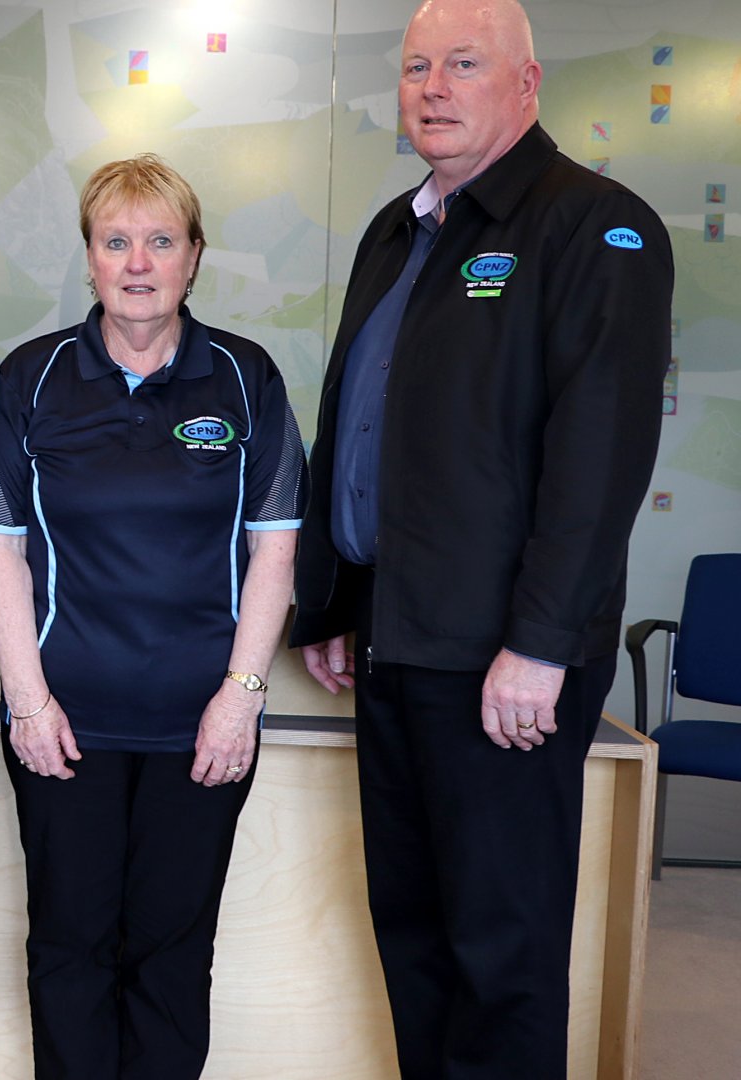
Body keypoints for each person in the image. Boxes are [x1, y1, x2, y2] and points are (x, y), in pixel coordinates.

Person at [288, 1, 674, 1075]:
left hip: (504, 657)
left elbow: (599, 459)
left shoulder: (594, 225)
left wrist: (542, 645)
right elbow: (366, 427)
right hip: (397, 638)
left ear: (527, 83)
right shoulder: (399, 227)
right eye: (417, 66)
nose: (435, 87)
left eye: (465, 63)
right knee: (412, 935)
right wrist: (336, 603)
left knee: (499, 952)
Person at [0, 154, 305, 1080]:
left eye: (161, 241)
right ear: (89, 257)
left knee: (169, 954)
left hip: (203, 726)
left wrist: (242, 695)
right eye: (116, 241)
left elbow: (274, 548)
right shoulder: (34, 378)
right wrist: (27, 703)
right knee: (69, 948)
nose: (139, 262)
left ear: (195, 257)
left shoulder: (245, 378)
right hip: (63, 722)